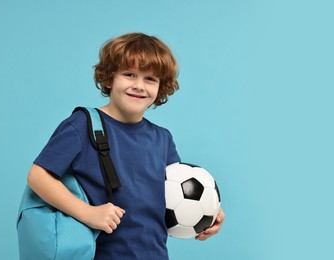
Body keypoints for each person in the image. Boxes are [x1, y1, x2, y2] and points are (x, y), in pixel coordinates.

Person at [20, 32, 224, 259]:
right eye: (129, 74)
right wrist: (88, 213)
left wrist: (208, 212)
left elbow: (176, 194)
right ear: (109, 78)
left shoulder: (162, 139)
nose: (139, 86)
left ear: (160, 87)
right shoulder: (81, 125)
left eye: (150, 79)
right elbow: (37, 176)